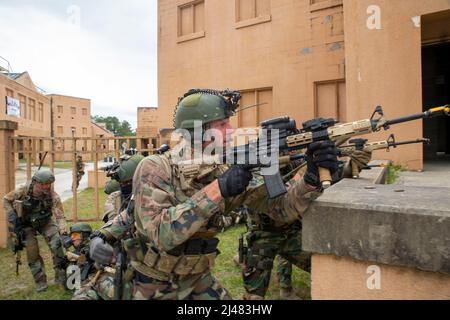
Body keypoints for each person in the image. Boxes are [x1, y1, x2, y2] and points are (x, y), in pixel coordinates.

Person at [89, 88, 341, 300]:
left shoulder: (226, 166)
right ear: (199, 131)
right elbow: (160, 234)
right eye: (223, 124)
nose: (231, 130)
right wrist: (218, 189)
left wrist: (309, 179)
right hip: (150, 283)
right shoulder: (156, 168)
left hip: (198, 279)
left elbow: (280, 209)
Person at [4, 170, 69, 292]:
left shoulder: (53, 196)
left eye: (49, 184)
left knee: (57, 244)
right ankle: (40, 281)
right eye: (43, 184)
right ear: (35, 182)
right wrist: (12, 214)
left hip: (45, 222)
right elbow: (6, 199)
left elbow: (60, 216)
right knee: (32, 252)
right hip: (27, 224)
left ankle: (60, 275)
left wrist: (64, 232)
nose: (46, 187)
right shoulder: (23, 190)